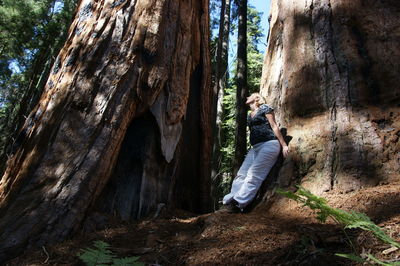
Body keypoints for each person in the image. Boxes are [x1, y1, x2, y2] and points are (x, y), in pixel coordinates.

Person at [221, 93, 289, 213]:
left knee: (254, 175)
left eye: (250, 95)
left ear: (256, 98)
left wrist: (283, 145)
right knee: (241, 174)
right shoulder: (249, 115)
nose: (247, 97)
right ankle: (231, 199)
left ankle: (238, 204)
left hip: (269, 145)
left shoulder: (265, 108)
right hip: (255, 147)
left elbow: (274, 126)